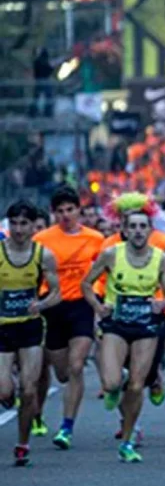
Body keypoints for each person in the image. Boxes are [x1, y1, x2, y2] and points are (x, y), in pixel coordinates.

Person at [81, 197, 165, 463]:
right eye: (132, 226)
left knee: (137, 385)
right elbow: (87, 283)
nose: (137, 231)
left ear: (150, 230)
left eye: (142, 226)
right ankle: (117, 384)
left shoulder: (160, 259)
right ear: (124, 229)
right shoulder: (112, 254)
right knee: (111, 383)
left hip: (146, 326)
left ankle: (127, 441)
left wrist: (163, 304)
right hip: (116, 325)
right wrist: (98, 306)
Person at [33, 185, 105, 448]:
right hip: (53, 306)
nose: (65, 215)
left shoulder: (95, 238)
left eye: (70, 209)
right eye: (60, 211)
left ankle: (66, 427)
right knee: (63, 373)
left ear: (79, 210)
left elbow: (104, 270)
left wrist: (98, 297)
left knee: (76, 366)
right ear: (54, 213)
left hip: (81, 306)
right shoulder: (42, 239)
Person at [0, 201, 61, 467]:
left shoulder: (43, 255)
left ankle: (22, 444)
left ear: (33, 226)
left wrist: (42, 304)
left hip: (30, 327)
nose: (18, 229)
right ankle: (7, 392)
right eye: (14, 223)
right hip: (3, 327)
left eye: (24, 224)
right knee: (4, 390)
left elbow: (56, 293)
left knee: (28, 390)